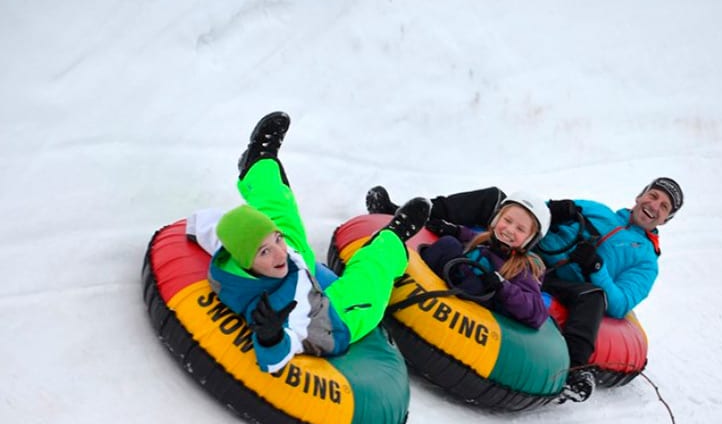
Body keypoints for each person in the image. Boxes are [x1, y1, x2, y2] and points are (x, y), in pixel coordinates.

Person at [365, 177, 684, 402]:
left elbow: (620, 303)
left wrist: (596, 270)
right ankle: (407, 216)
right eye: (653, 196)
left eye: (664, 205)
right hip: (527, 249)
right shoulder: (596, 209)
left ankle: (570, 369)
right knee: (495, 198)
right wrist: (552, 211)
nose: (654, 205)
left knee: (594, 297)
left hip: (564, 281)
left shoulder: (645, 261)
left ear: (667, 219)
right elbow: (530, 215)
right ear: (640, 195)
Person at [201, 112, 431, 373]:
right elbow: (273, 360)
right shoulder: (272, 309)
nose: (279, 252)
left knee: (280, 216)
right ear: (248, 262)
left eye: (276, 243)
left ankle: (258, 165)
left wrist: (271, 244)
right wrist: (270, 337)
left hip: (297, 268)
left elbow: (213, 229)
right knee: (370, 282)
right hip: (327, 318)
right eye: (266, 251)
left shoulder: (253, 256)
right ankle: (392, 239)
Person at [418, 192, 551, 329]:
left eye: (520, 229)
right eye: (507, 220)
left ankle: (432, 320)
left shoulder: (522, 268)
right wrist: (454, 230)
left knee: (475, 284)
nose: (510, 229)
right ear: (496, 219)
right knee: (448, 243)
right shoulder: (486, 240)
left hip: (470, 307)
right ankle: (409, 279)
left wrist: (503, 286)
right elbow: (471, 236)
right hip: (456, 277)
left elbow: (537, 312)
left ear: (530, 239)